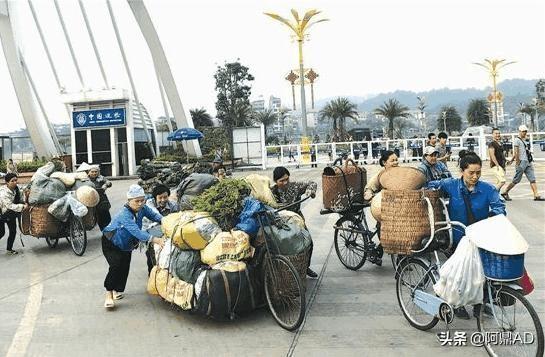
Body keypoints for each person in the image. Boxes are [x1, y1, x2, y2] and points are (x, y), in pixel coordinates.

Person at [426, 151, 506, 319]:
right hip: (457, 237)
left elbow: (499, 207)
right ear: (462, 171)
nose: (475, 176)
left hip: (480, 237)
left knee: (483, 273)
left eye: (478, 173)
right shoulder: (451, 185)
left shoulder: (488, 189)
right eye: (471, 173)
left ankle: (480, 304)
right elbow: (431, 184)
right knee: (459, 274)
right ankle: (457, 303)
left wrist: (494, 217)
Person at [101, 185, 165, 309]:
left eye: (142, 200)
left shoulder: (143, 208)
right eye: (137, 201)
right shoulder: (124, 214)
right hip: (111, 242)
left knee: (124, 267)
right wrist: (155, 240)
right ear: (129, 201)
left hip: (126, 243)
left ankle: (116, 290)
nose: (140, 203)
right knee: (115, 266)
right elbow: (137, 232)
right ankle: (108, 293)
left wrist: (167, 221)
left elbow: (156, 217)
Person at [271, 166, 318, 278]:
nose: (285, 182)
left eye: (287, 179)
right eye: (281, 181)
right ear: (275, 181)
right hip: (280, 223)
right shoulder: (271, 192)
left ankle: (305, 267)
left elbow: (312, 183)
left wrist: (310, 191)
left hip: (297, 220)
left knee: (309, 243)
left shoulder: (295, 187)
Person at [501, 125, 545, 201]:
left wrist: (512, 160)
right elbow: (516, 152)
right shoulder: (517, 140)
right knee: (516, 180)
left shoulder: (524, 140)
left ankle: (536, 195)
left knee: (532, 179)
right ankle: (505, 191)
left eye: (525, 131)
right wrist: (516, 162)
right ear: (519, 131)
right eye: (523, 131)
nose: (524, 132)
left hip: (528, 162)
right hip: (521, 162)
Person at [144, 184, 179, 274]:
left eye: (165, 197)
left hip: (165, 230)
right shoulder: (149, 203)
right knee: (151, 251)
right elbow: (156, 216)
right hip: (150, 229)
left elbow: (178, 216)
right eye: (160, 198)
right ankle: (152, 272)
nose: (163, 200)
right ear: (155, 197)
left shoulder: (172, 205)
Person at [0, 173, 28, 254]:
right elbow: (9, 206)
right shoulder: (3, 193)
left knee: (13, 231)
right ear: (7, 183)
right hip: (2, 213)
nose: (15, 182)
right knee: (1, 232)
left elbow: (23, 189)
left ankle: (9, 249)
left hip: (10, 213)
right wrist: (22, 206)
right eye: (12, 181)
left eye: (16, 180)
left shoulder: (16, 188)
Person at [87, 165, 112, 230]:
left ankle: (109, 232)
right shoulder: (86, 180)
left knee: (107, 217)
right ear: (89, 172)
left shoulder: (101, 178)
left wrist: (106, 185)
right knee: (99, 218)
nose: (94, 173)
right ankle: (105, 232)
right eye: (92, 172)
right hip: (92, 200)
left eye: (96, 171)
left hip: (102, 200)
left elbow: (109, 183)